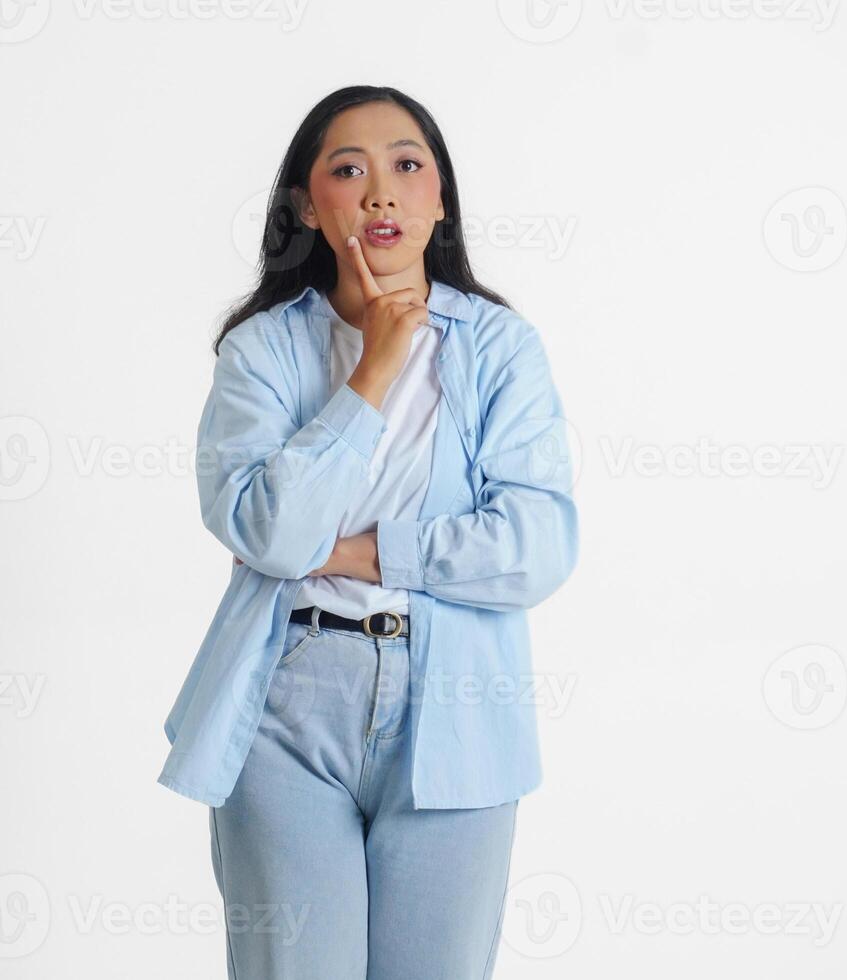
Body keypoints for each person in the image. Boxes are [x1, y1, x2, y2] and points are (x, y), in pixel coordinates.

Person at [158, 84, 579, 979]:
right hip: (288, 704)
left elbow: (537, 544)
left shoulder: (501, 349)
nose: (381, 191)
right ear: (309, 206)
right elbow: (269, 532)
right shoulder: (263, 352)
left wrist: (363, 551)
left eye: (407, 166)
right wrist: (377, 368)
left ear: (439, 200)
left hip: (457, 704)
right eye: (349, 169)